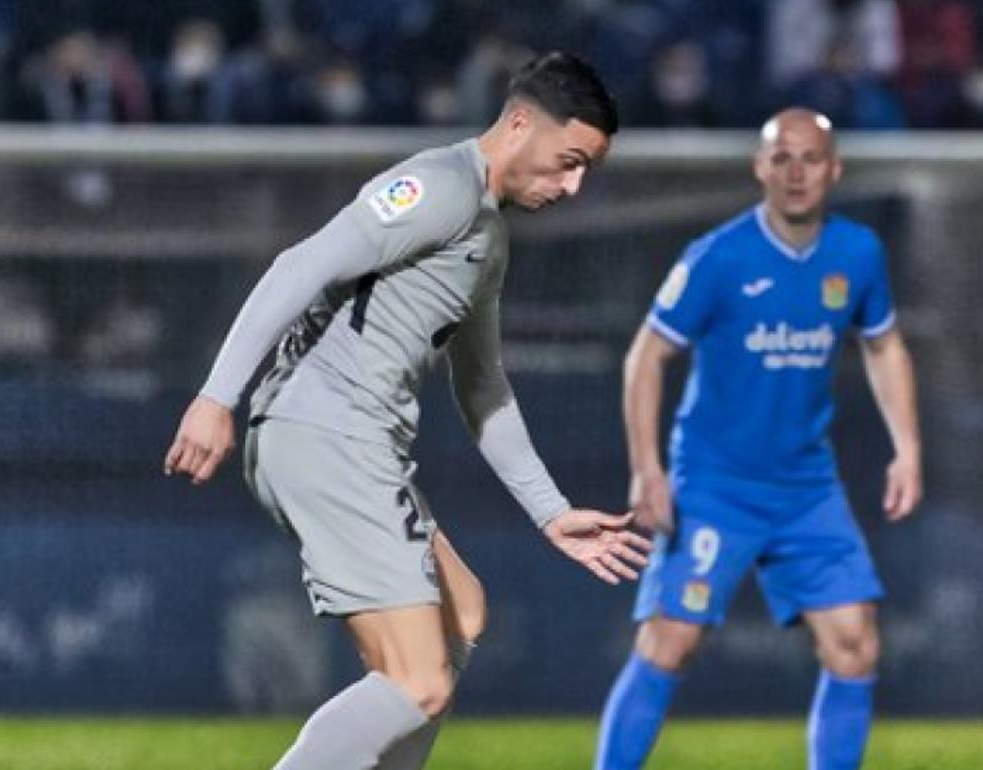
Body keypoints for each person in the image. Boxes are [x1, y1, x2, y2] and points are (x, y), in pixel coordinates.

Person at [163, 51, 651, 770]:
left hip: (355, 444)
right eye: (569, 162)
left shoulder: (486, 235)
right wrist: (216, 396)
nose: (573, 186)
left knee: (462, 615)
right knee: (418, 681)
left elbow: (482, 386)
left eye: (587, 171)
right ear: (520, 124)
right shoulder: (438, 187)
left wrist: (551, 512)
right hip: (325, 434)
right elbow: (300, 264)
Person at [594, 108, 922, 770]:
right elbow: (646, 356)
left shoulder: (858, 254)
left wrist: (908, 448)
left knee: (855, 644)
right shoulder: (718, 257)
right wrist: (647, 469)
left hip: (806, 486)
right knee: (670, 641)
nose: (796, 173)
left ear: (834, 170)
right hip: (714, 484)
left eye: (810, 159)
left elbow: (884, 345)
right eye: (782, 158)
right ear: (760, 168)